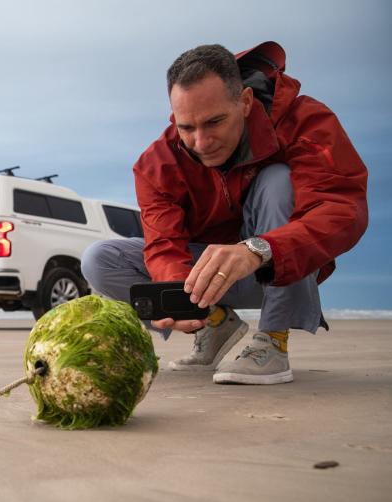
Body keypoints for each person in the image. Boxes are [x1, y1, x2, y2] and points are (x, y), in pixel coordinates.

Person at [81, 42, 368, 384]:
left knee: (278, 181)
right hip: (207, 277)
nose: (201, 142)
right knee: (99, 259)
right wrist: (176, 296)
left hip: (279, 267)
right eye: (186, 127)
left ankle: (272, 341)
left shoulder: (303, 121)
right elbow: (163, 244)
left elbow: (342, 208)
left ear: (245, 102)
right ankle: (216, 325)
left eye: (214, 122)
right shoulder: (157, 163)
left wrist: (261, 249)